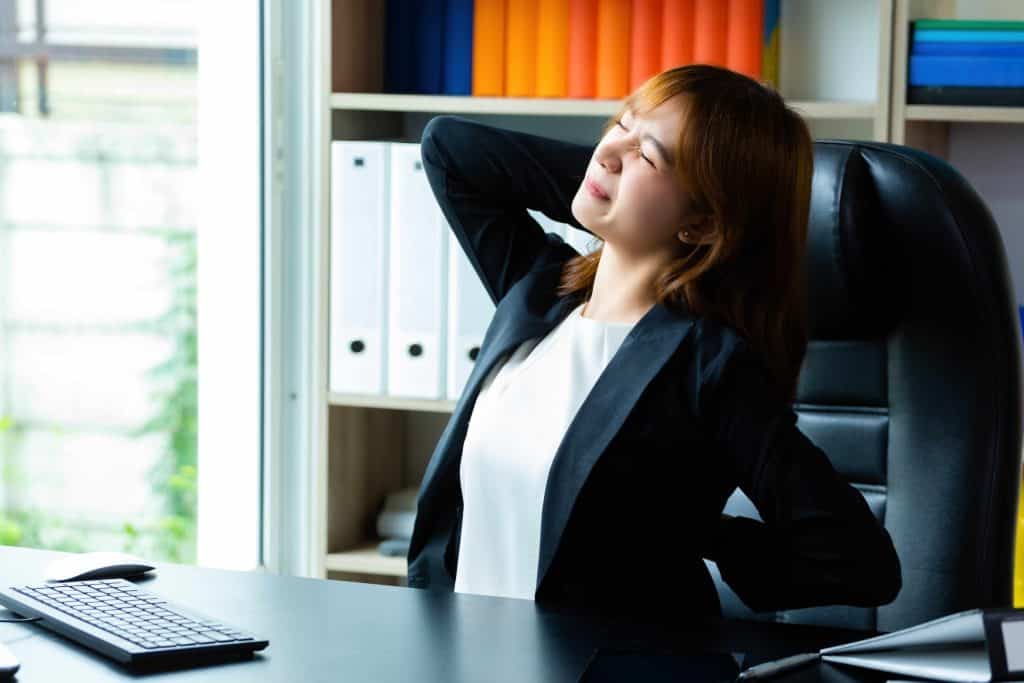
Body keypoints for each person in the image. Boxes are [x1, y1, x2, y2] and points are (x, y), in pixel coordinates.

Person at [406, 64, 902, 621]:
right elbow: (449, 147)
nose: (609, 149)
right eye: (620, 121)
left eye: (649, 156)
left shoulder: (709, 363)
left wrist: (702, 533)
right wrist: (624, 179)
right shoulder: (539, 293)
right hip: (461, 656)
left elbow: (861, 562)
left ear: (703, 224)